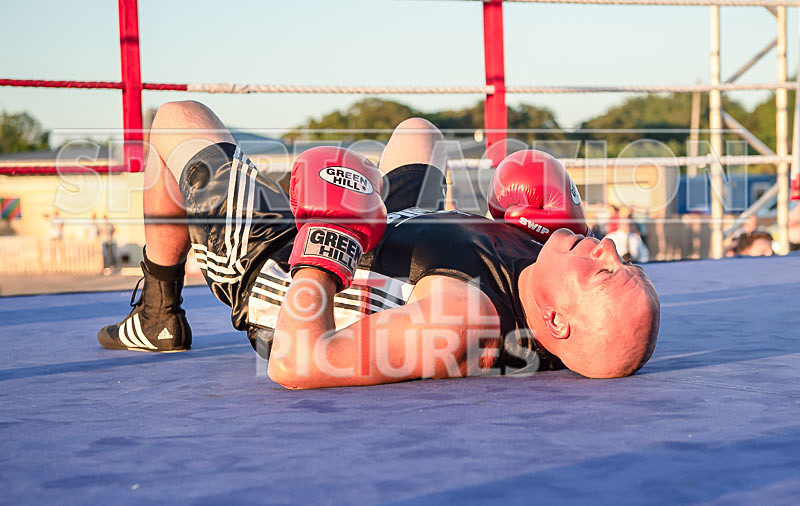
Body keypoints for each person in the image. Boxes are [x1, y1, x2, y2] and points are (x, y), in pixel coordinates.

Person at [98, 100, 660, 388]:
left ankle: (158, 314)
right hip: (396, 229)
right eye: (624, 260)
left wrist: (329, 241)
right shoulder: (541, 264)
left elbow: (297, 364)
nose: (608, 248)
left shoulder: (461, 317)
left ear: (556, 323)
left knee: (177, 119)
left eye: (606, 272)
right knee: (420, 132)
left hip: (284, 270)